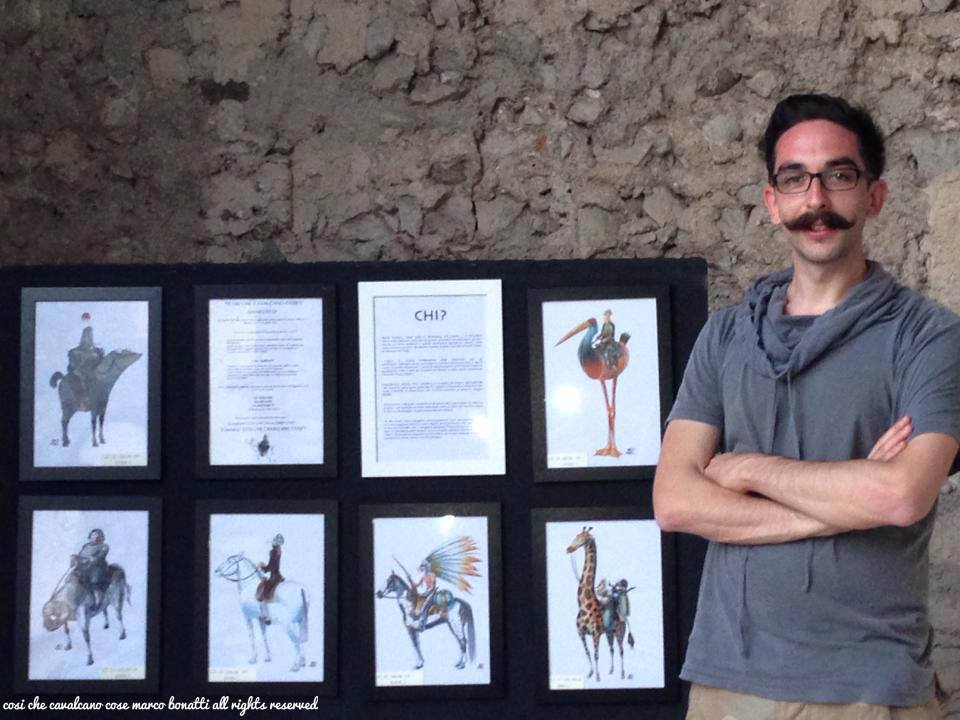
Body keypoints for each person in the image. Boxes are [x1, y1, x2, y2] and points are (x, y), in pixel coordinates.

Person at [654, 93, 960, 719]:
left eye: (839, 175)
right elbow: (675, 501)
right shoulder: (725, 336)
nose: (816, 200)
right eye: (794, 179)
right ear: (772, 201)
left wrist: (746, 469)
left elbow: (902, 497)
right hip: (728, 684)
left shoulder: (930, 337)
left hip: (867, 688)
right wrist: (846, 502)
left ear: (874, 195)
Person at [67, 324, 104, 409]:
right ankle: (80, 401)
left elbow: (101, 364)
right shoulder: (75, 351)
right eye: (85, 335)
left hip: (93, 373)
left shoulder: (97, 352)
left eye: (89, 335)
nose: (87, 338)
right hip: (79, 374)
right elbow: (72, 365)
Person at [73, 528, 109, 609]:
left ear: (100, 537)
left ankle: (97, 601)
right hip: (85, 567)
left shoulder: (104, 546)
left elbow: (100, 557)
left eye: (96, 535)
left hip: (97, 568)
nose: (94, 537)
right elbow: (81, 554)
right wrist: (76, 558)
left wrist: (91, 559)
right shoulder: (86, 546)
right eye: (93, 535)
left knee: (94, 581)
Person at [255, 534, 284, 625]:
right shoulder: (278, 550)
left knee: (262, 595)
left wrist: (262, 567)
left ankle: (267, 618)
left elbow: (271, 566)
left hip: (274, 576)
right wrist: (265, 566)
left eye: (272, 542)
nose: (271, 544)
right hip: (278, 575)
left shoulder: (273, 552)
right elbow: (274, 565)